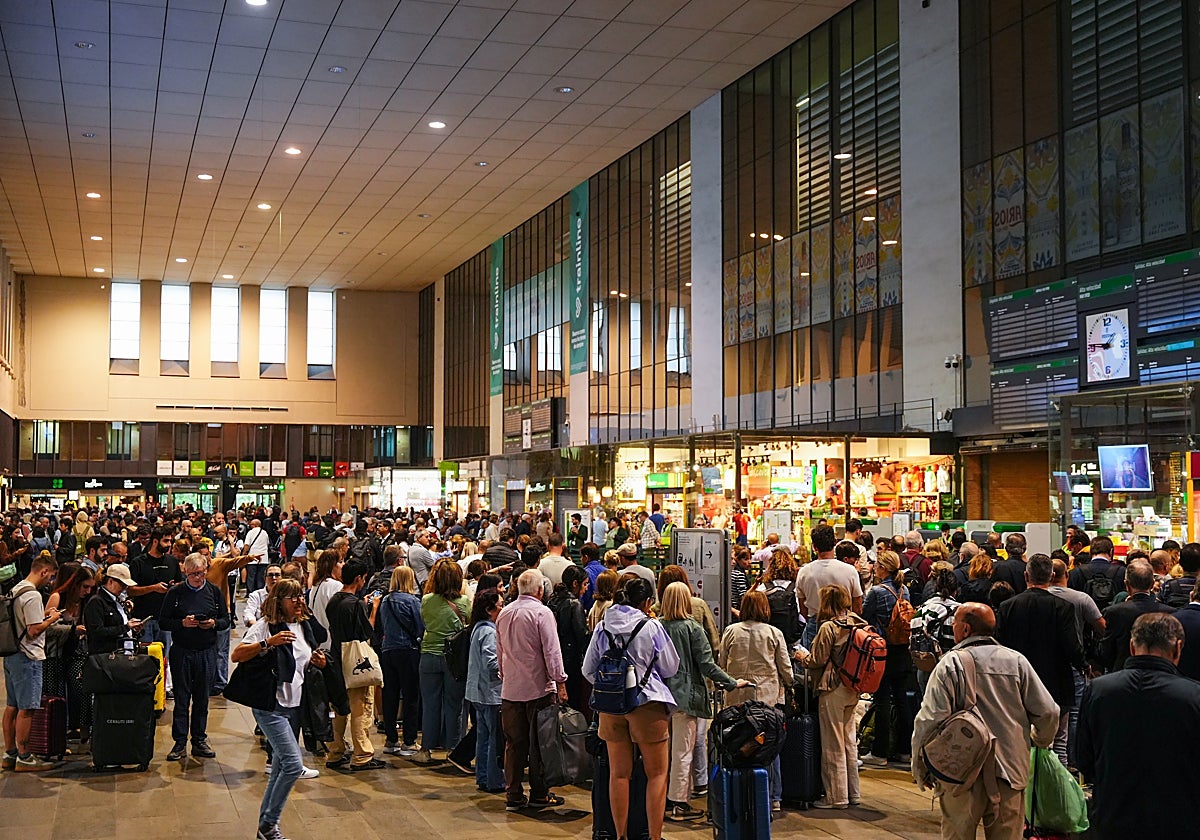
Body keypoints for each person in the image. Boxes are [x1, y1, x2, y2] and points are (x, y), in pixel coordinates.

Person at [912, 603, 1059, 840]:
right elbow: (1049, 712)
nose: (952, 626)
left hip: (960, 773)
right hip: (1009, 770)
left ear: (966, 629)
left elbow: (929, 720)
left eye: (955, 622)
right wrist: (1038, 740)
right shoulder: (1017, 661)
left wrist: (920, 766)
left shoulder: (951, 664)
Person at [1076, 613, 1200, 840]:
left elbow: (1084, 759)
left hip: (1113, 816)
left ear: (1132, 647)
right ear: (1178, 648)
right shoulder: (1193, 695)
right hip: (1179, 820)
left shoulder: (1098, 690)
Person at [233, 578, 329, 840]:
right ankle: (269, 824)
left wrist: (318, 662)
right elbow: (237, 655)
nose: (299, 602)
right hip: (270, 707)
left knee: (279, 767)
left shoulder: (304, 626)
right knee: (293, 765)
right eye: (292, 597)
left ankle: (265, 827)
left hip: (294, 705)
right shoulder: (265, 626)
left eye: (301, 596)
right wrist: (268, 643)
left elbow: (305, 658)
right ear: (279, 601)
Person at [583, 577, 680, 838]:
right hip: (647, 703)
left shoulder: (603, 626)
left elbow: (588, 669)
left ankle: (620, 835)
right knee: (657, 774)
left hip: (611, 706)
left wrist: (613, 685)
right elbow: (671, 666)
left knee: (618, 774)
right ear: (647, 602)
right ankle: (654, 836)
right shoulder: (652, 626)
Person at [660, 581, 743, 821]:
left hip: (659, 696)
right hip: (686, 697)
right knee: (683, 751)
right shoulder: (693, 629)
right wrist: (731, 682)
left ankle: (661, 799)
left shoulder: (656, 626)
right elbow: (707, 665)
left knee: (662, 751)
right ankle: (679, 803)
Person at [994, 553, 1084, 767]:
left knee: (1018, 737)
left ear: (1026, 576)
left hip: (1017, 683)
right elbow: (1072, 647)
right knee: (1058, 740)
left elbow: (999, 646)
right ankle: (1056, 780)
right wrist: (1083, 665)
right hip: (1056, 681)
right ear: (1052, 576)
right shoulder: (1063, 607)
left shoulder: (1007, 606)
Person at [497, 569, 570, 812]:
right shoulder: (542, 613)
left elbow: (500, 651)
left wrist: (504, 676)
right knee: (540, 743)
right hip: (538, 688)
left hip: (511, 689)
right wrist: (560, 682)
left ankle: (513, 794)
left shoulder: (504, 613)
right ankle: (539, 794)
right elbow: (552, 651)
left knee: (513, 744)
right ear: (540, 590)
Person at [719, 590, 794, 811]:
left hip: (737, 696)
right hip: (766, 698)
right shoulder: (774, 633)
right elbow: (786, 668)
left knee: (737, 742)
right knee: (769, 744)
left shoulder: (731, 631)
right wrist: (789, 683)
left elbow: (721, 663)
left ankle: (738, 792)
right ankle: (773, 796)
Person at [793, 584, 867, 809]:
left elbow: (817, 660)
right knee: (849, 741)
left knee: (832, 743)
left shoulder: (829, 627)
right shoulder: (858, 622)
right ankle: (853, 792)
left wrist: (801, 657)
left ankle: (836, 797)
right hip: (853, 686)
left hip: (833, 687)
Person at [158, 552, 229, 761]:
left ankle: (199, 740)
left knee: (202, 699)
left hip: (206, 651)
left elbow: (226, 620)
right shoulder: (175, 593)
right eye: (194, 574)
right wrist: (182, 623)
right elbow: (163, 622)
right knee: (182, 698)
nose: (198, 577)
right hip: (182, 651)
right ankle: (179, 743)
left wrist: (213, 624)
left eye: (202, 573)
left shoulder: (214, 592)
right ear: (186, 573)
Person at [2, 552, 61, 772]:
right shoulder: (33, 595)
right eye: (51, 575)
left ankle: (10, 754)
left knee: (12, 706)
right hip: (28, 657)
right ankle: (25, 757)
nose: (50, 580)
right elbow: (34, 630)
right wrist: (52, 619)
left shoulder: (17, 588)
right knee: (26, 708)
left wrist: (43, 616)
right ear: (44, 571)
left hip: (12, 654)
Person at [325, 558, 384, 771]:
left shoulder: (334, 600)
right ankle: (362, 755)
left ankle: (335, 751)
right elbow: (366, 631)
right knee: (361, 708)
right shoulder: (356, 604)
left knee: (339, 708)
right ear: (358, 578)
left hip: (335, 657)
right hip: (355, 660)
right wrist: (373, 609)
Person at [417, 559, 471, 764]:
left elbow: (425, 622)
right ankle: (453, 749)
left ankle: (426, 749)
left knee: (430, 704)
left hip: (429, 654)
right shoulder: (464, 602)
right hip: (454, 659)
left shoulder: (426, 600)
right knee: (454, 705)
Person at [378, 565, 424, 756]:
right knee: (411, 696)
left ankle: (391, 740)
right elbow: (420, 626)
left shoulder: (385, 600)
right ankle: (409, 741)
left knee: (390, 696)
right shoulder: (412, 601)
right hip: (408, 651)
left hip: (388, 650)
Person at [1098, 559, 1174, 673]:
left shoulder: (1114, 612)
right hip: (1161, 673)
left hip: (1122, 672)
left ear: (1127, 584)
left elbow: (1106, 650)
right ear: (1152, 584)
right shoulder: (1170, 612)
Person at [796, 524, 863, 649]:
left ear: (814, 547)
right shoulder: (850, 571)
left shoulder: (804, 572)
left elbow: (802, 607)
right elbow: (857, 606)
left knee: (811, 659)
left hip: (815, 624)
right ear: (835, 542)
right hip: (844, 626)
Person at [465, 586, 505, 793]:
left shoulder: (478, 628)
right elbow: (491, 663)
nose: (503, 609)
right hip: (490, 692)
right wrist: (509, 662)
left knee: (483, 737)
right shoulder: (489, 632)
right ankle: (495, 780)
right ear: (489, 610)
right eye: (500, 606)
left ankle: (483, 777)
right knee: (494, 739)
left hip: (478, 692)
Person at [548, 564, 590, 714]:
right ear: (575, 584)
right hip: (571, 660)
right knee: (573, 703)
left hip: (554, 658)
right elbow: (581, 635)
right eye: (585, 584)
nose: (586, 589)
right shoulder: (574, 604)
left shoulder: (552, 600)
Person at [83, 562, 143, 655]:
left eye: (126, 586)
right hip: (105, 656)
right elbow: (97, 632)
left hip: (124, 653)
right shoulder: (96, 602)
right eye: (122, 585)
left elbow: (123, 625)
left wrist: (134, 629)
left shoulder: (119, 601)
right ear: (110, 581)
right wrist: (126, 627)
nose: (124, 589)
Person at [729, 544, 753, 618]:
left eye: (750, 559)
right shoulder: (739, 575)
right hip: (738, 610)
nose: (749, 562)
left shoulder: (732, 573)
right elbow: (743, 596)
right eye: (746, 559)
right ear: (738, 560)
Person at [580, 542, 604, 610]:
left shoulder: (584, 573)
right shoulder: (607, 571)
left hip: (589, 610)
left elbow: (583, 597)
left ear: (586, 557)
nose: (580, 559)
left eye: (581, 557)